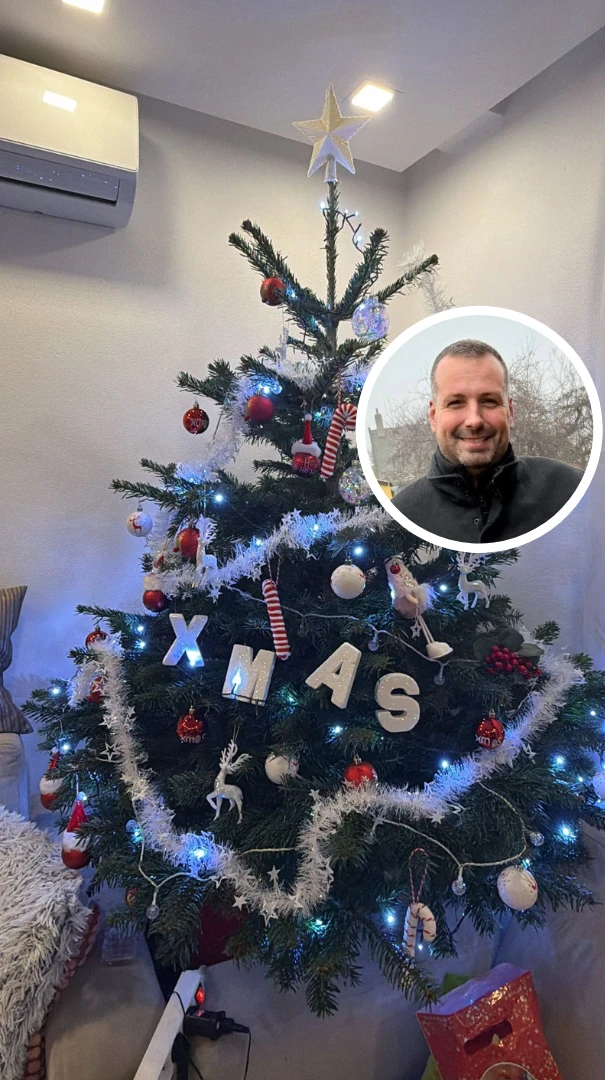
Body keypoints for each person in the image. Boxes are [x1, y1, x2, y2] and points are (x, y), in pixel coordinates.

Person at [391, 339, 584, 543]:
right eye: (456, 403)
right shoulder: (397, 522)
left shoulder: (573, 491)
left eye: (489, 401)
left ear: (510, 412)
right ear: (433, 417)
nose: (474, 420)